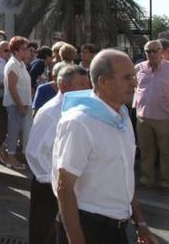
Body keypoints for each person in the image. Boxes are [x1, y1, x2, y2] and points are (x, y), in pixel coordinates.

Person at [53, 49, 156, 244]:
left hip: (117, 228)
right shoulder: (80, 122)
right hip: (88, 226)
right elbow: (64, 188)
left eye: (133, 76)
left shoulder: (122, 115)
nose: (134, 83)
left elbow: (124, 174)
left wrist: (140, 223)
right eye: (126, 78)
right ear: (102, 81)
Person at [25, 65, 90, 244]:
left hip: (67, 186)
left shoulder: (81, 109)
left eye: (87, 84)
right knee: (45, 233)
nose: (87, 88)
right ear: (64, 86)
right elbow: (35, 151)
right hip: (49, 186)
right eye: (81, 84)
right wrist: (53, 183)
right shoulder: (51, 112)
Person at [133, 39, 169, 195]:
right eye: (148, 51)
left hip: (166, 118)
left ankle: (167, 183)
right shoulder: (138, 68)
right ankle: (146, 179)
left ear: (162, 51)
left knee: (167, 152)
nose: (152, 54)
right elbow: (135, 88)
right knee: (146, 151)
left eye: (155, 50)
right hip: (143, 117)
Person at [3, 36, 32, 170]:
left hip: (22, 104)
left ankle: (12, 154)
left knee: (22, 131)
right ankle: (10, 156)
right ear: (16, 50)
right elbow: (12, 87)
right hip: (15, 104)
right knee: (14, 131)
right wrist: (20, 105)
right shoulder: (13, 64)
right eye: (24, 48)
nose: (28, 51)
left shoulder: (21, 64)